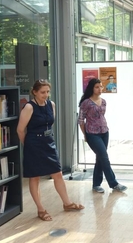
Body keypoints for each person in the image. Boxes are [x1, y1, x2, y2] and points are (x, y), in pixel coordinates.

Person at [17, 79, 84, 221]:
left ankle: (67, 203)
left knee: (57, 173)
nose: (46, 95)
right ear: (34, 92)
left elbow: (50, 124)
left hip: (48, 142)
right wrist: (27, 145)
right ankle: (40, 209)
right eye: (42, 92)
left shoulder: (51, 104)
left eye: (47, 92)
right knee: (35, 177)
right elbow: (20, 130)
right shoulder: (29, 107)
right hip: (33, 144)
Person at [78, 78, 127, 193]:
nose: (100, 89)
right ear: (91, 88)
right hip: (92, 134)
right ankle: (114, 183)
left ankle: (96, 184)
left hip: (104, 132)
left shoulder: (104, 101)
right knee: (104, 157)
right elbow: (81, 120)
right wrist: (85, 135)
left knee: (100, 158)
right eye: (97, 87)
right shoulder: (86, 103)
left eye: (101, 86)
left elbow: (101, 117)